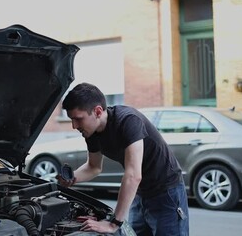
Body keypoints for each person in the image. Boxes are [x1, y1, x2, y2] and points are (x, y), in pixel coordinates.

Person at [57, 82, 189, 236]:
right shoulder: (91, 133)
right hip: (140, 195)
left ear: (98, 111)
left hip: (167, 194)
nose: (74, 125)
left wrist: (114, 223)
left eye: (78, 119)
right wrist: (72, 178)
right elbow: (93, 167)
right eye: (71, 119)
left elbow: (133, 175)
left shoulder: (127, 120)